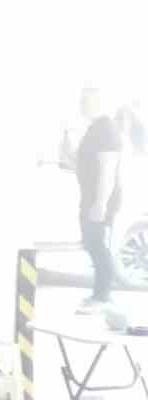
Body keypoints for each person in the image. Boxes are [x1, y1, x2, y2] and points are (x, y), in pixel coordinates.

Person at [76, 87, 123, 313]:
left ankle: (103, 296)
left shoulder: (106, 128)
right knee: (92, 243)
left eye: (86, 101)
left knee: (97, 244)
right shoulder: (95, 128)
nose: (82, 105)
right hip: (90, 195)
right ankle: (100, 294)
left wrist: (100, 204)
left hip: (100, 198)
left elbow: (107, 169)